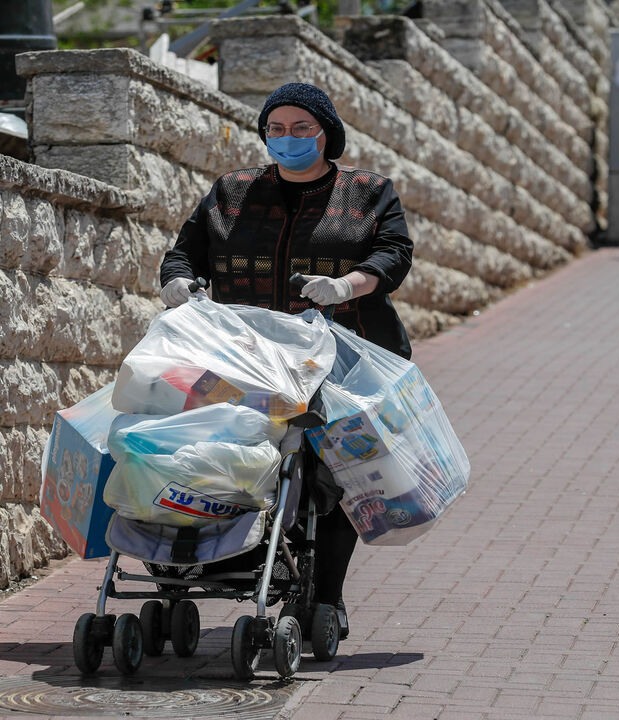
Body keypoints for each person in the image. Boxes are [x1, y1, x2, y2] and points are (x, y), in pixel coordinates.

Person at [159, 82, 414, 636]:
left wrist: (347, 284)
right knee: (212, 458)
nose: (288, 138)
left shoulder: (368, 192)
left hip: (344, 360)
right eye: (277, 129)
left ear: (327, 134)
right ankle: (203, 566)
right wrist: (178, 282)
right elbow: (185, 250)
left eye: (302, 128)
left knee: (335, 475)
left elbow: (394, 254)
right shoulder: (232, 192)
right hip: (245, 358)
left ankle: (325, 595)